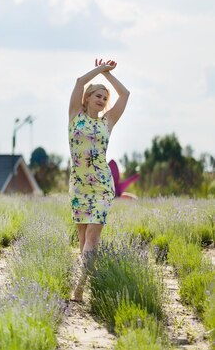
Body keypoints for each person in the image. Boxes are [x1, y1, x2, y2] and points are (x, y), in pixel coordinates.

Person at [68, 58, 130, 301]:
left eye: (105, 98)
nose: (103, 100)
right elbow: (79, 81)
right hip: (79, 186)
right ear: (87, 98)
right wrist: (99, 69)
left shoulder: (108, 122)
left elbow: (125, 94)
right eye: (98, 96)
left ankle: (79, 288)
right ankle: (89, 281)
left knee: (93, 237)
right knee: (82, 239)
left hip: (102, 187)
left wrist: (108, 75)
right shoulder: (75, 116)